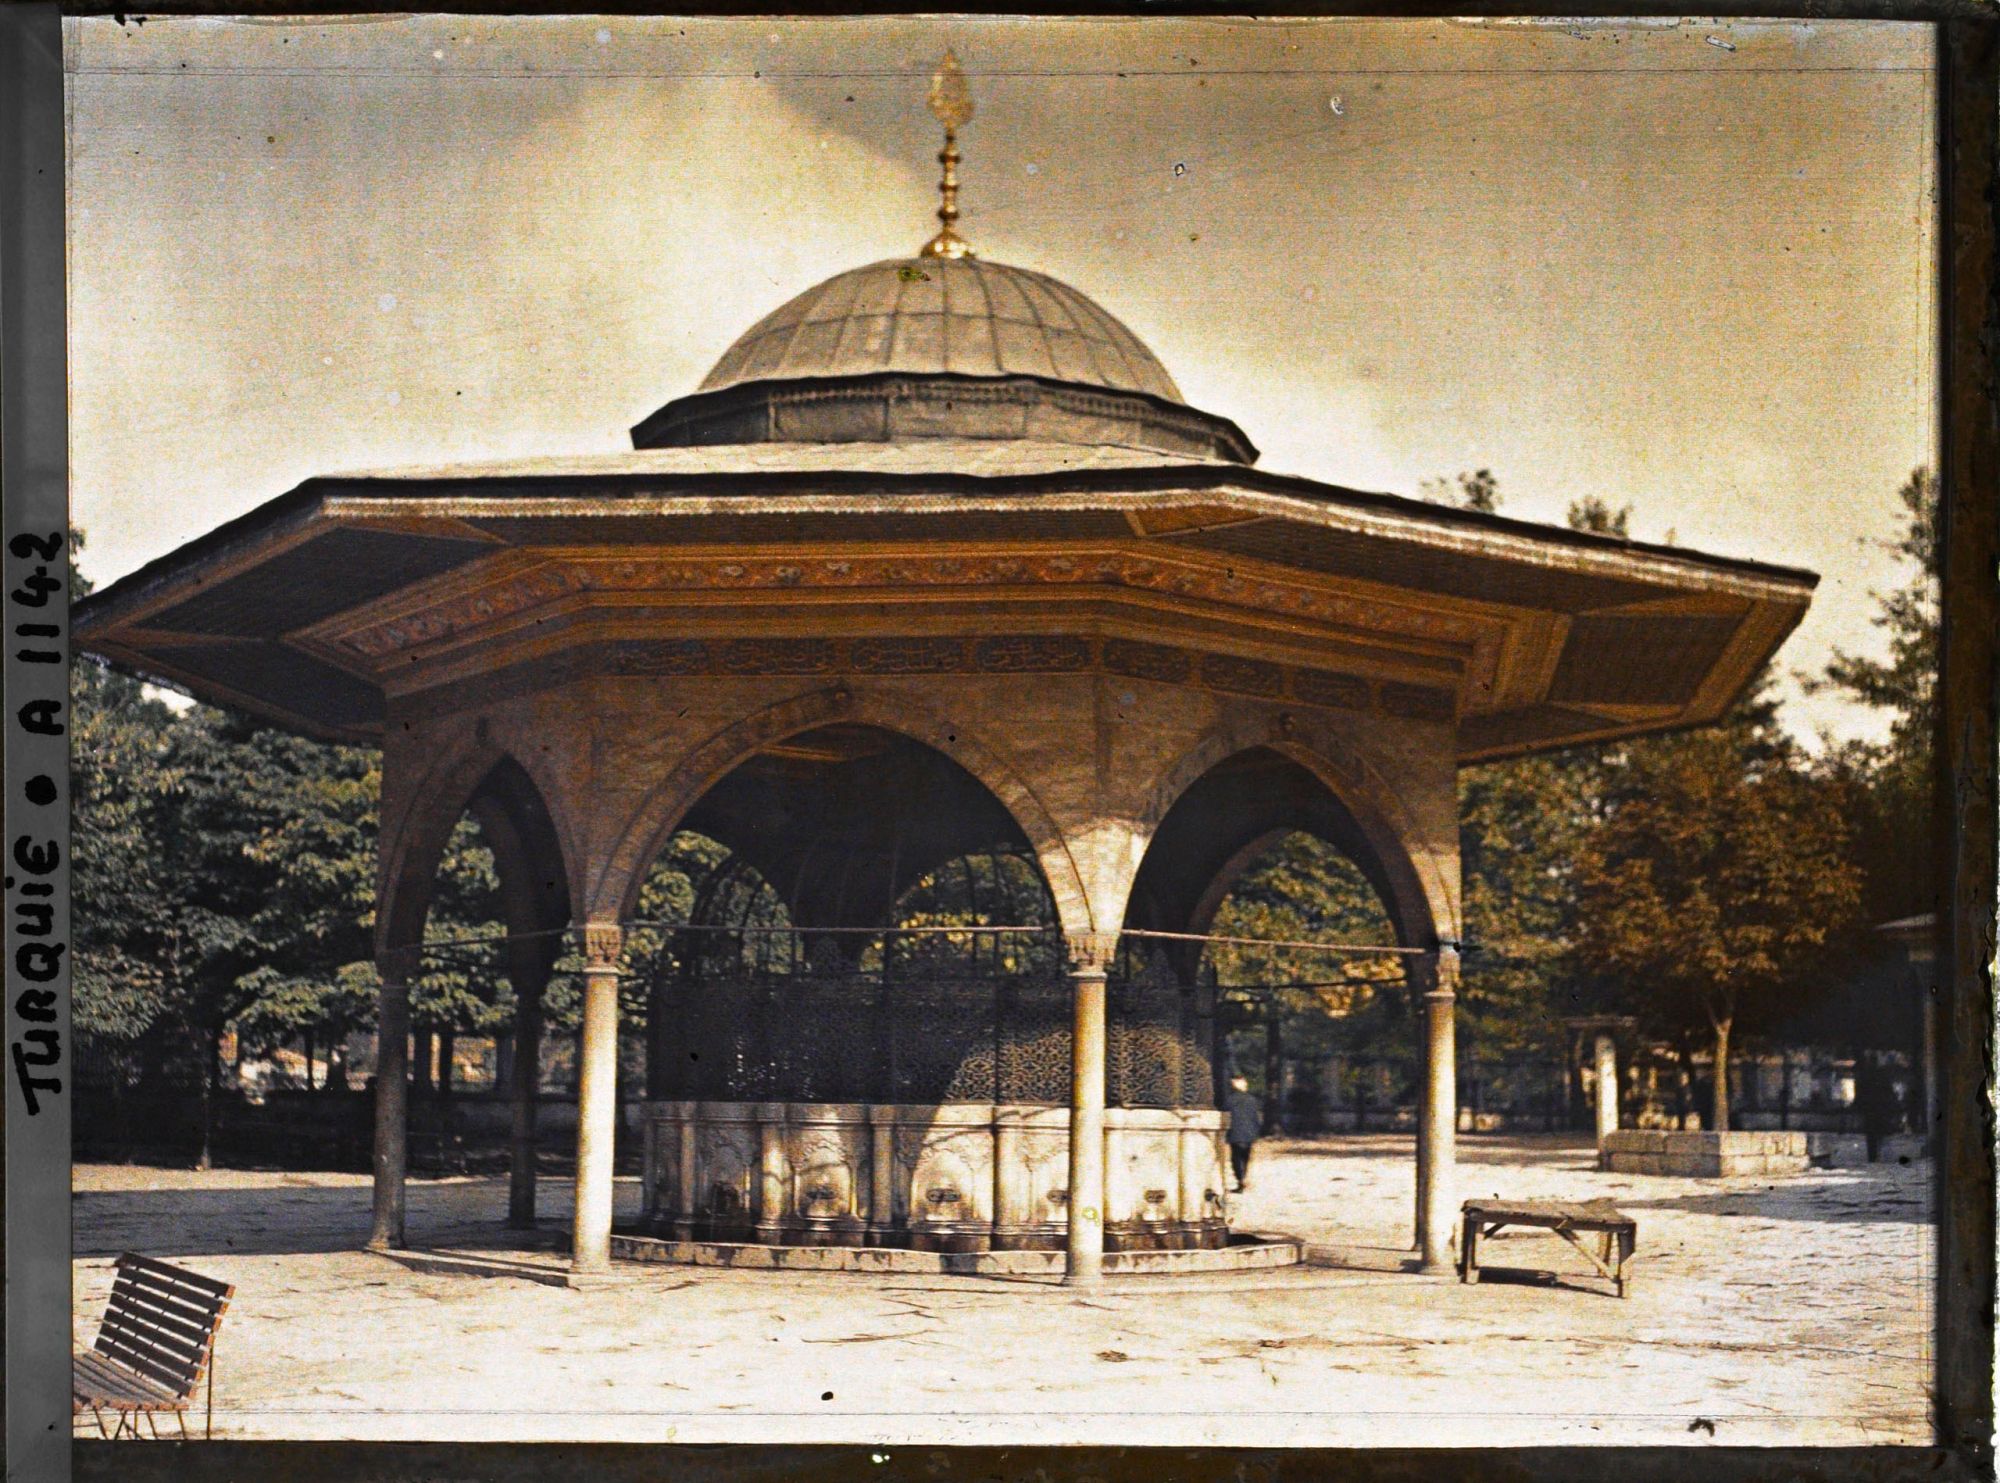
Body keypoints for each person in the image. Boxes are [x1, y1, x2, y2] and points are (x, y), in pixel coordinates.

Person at [1224, 1076, 1263, 1192]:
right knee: (1245, 1158)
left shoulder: (1230, 1100)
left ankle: (1240, 1179)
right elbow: (1256, 1118)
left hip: (1235, 1134)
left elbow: (1226, 1117)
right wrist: (1256, 1132)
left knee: (1236, 1158)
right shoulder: (1252, 1100)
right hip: (1249, 1134)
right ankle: (1243, 1178)